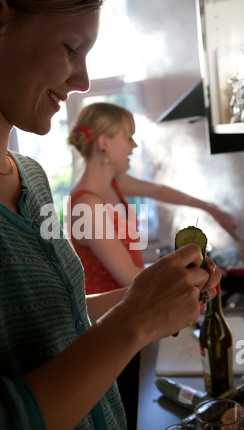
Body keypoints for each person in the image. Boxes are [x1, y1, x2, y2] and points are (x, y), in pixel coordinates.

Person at [0, 0, 221, 430]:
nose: (84, 80)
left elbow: (60, 318)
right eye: (73, 48)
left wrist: (147, 295)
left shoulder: (30, 176)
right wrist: (135, 320)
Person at [67, 102, 238, 294]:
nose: (134, 145)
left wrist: (211, 208)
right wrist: (190, 273)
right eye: (129, 137)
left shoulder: (114, 183)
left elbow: (160, 191)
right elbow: (129, 277)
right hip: (111, 318)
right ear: (103, 143)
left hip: (129, 308)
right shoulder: (87, 205)